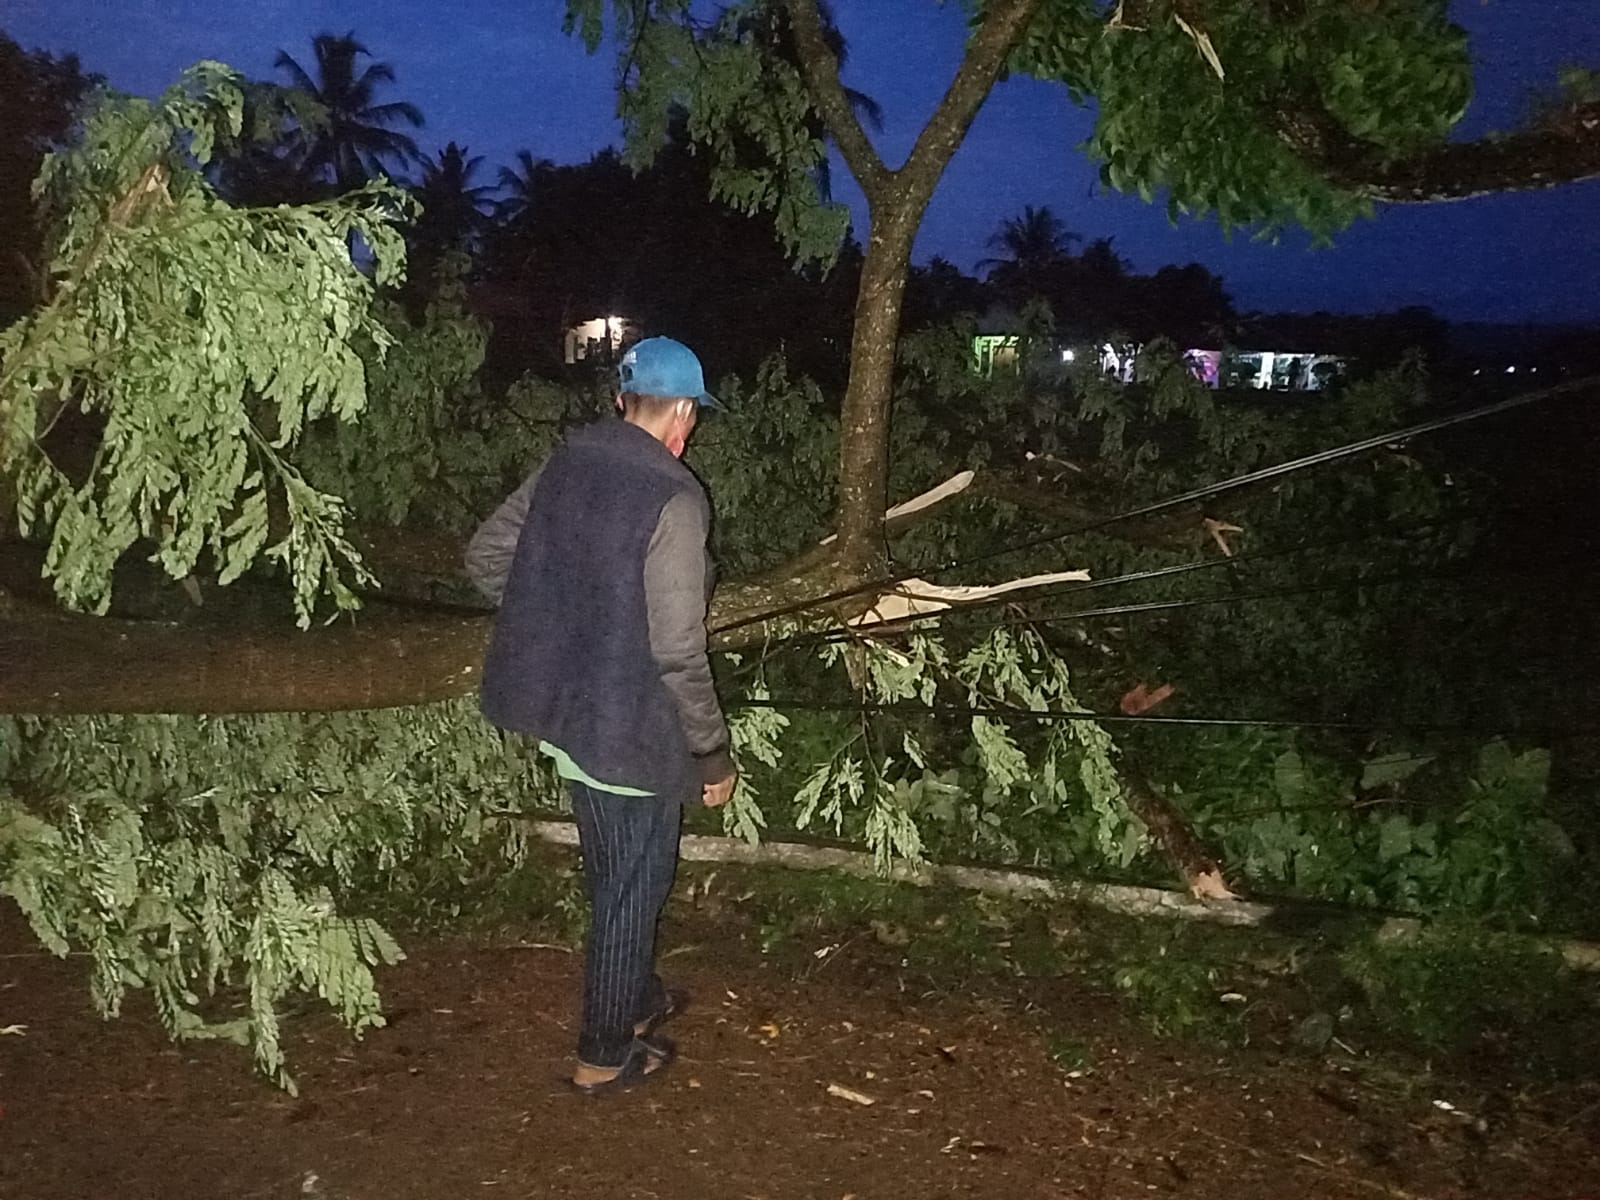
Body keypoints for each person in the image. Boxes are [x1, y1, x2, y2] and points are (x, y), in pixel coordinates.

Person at [465, 336, 736, 1095]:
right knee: (632, 889)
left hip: (570, 719)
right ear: (683, 412)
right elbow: (679, 651)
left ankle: (636, 995)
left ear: (623, 401)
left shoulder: (570, 460)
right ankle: (601, 1053)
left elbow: (488, 557)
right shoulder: (676, 498)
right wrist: (711, 755)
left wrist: (560, 631)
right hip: (629, 732)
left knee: (617, 874)